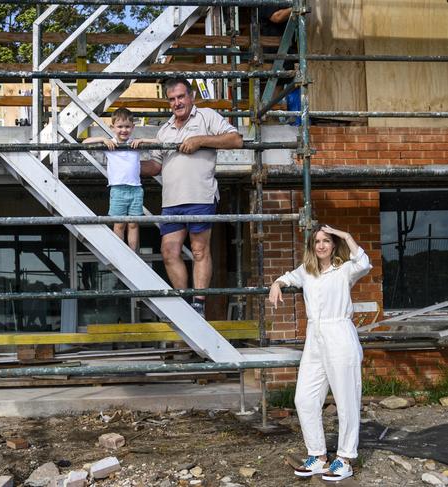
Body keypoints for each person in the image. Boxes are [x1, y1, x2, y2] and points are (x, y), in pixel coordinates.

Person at [268, 224, 372, 482]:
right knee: (304, 399)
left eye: (327, 240)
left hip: (340, 335)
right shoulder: (307, 271)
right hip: (314, 338)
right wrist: (276, 283)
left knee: (346, 400)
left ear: (334, 244)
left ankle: (345, 459)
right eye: (317, 241)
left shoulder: (345, 269)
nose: (322, 245)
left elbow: (364, 262)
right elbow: (289, 277)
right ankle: (318, 455)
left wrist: (346, 234)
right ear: (312, 247)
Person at [141, 78, 243, 317]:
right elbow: (155, 166)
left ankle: (198, 303)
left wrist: (200, 140)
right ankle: (184, 303)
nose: (177, 103)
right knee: (169, 251)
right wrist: (126, 162)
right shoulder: (164, 130)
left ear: (191, 96)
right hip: (172, 201)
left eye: (180, 96)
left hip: (200, 196)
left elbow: (236, 139)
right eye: (172, 99)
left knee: (199, 250)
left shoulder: (206, 117)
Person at [83, 107, 157, 251]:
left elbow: (158, 141)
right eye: (120, 127)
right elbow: (85, 142)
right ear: (112, 127)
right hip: (117, 189)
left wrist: (142, 140)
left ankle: (133, 253)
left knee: (134, 224)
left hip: (135, 189)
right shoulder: (110, 144)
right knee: (119, 224)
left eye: (127, 127)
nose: (124, 130)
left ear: (133, 127)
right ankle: (120, 253)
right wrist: (103, 139)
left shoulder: (135, 144)